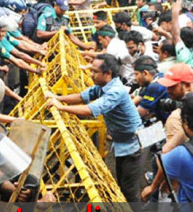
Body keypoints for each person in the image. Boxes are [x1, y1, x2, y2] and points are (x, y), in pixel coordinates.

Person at [45, 54, 143, 201]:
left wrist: (60, 107)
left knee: (129, 190)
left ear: (107, 73)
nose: (91, 74)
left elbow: (89, 109)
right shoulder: (102, 86)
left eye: (95, 71)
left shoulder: (116, 91)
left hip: (134, 144)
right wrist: (57, 98)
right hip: (122, 142)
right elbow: (82, 97)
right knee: (122, 184)